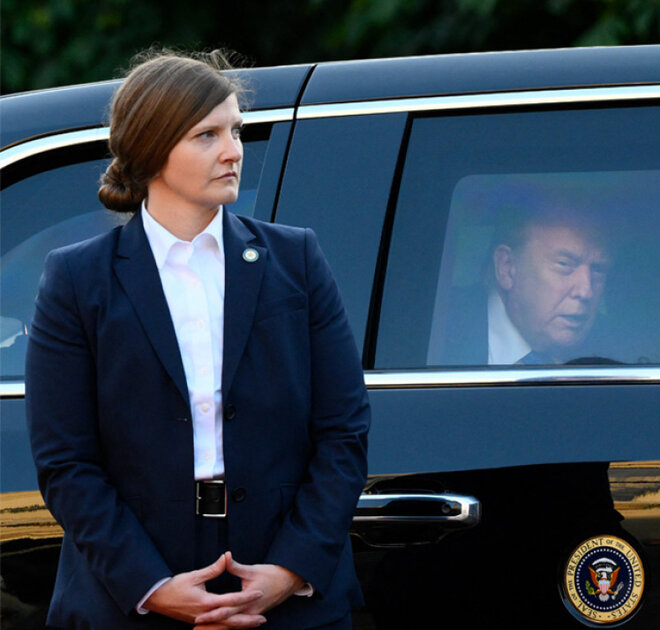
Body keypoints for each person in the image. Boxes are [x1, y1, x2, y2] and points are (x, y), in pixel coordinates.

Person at [24, 51, 370, 629]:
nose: (233, 150)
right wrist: (151, 585)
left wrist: (291, 569)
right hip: (130, 594)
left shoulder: (296, 259)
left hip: (283, 587)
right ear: (152, 148)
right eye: (207, 135)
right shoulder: (77, 279)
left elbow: (344, 430)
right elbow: (65, 460)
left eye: (236, 130)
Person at [432, 203, 611, 365]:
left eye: (598, 270)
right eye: (564, 264)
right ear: (507, 268)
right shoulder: (436, 327)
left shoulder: (617, 349)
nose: (586, 291)